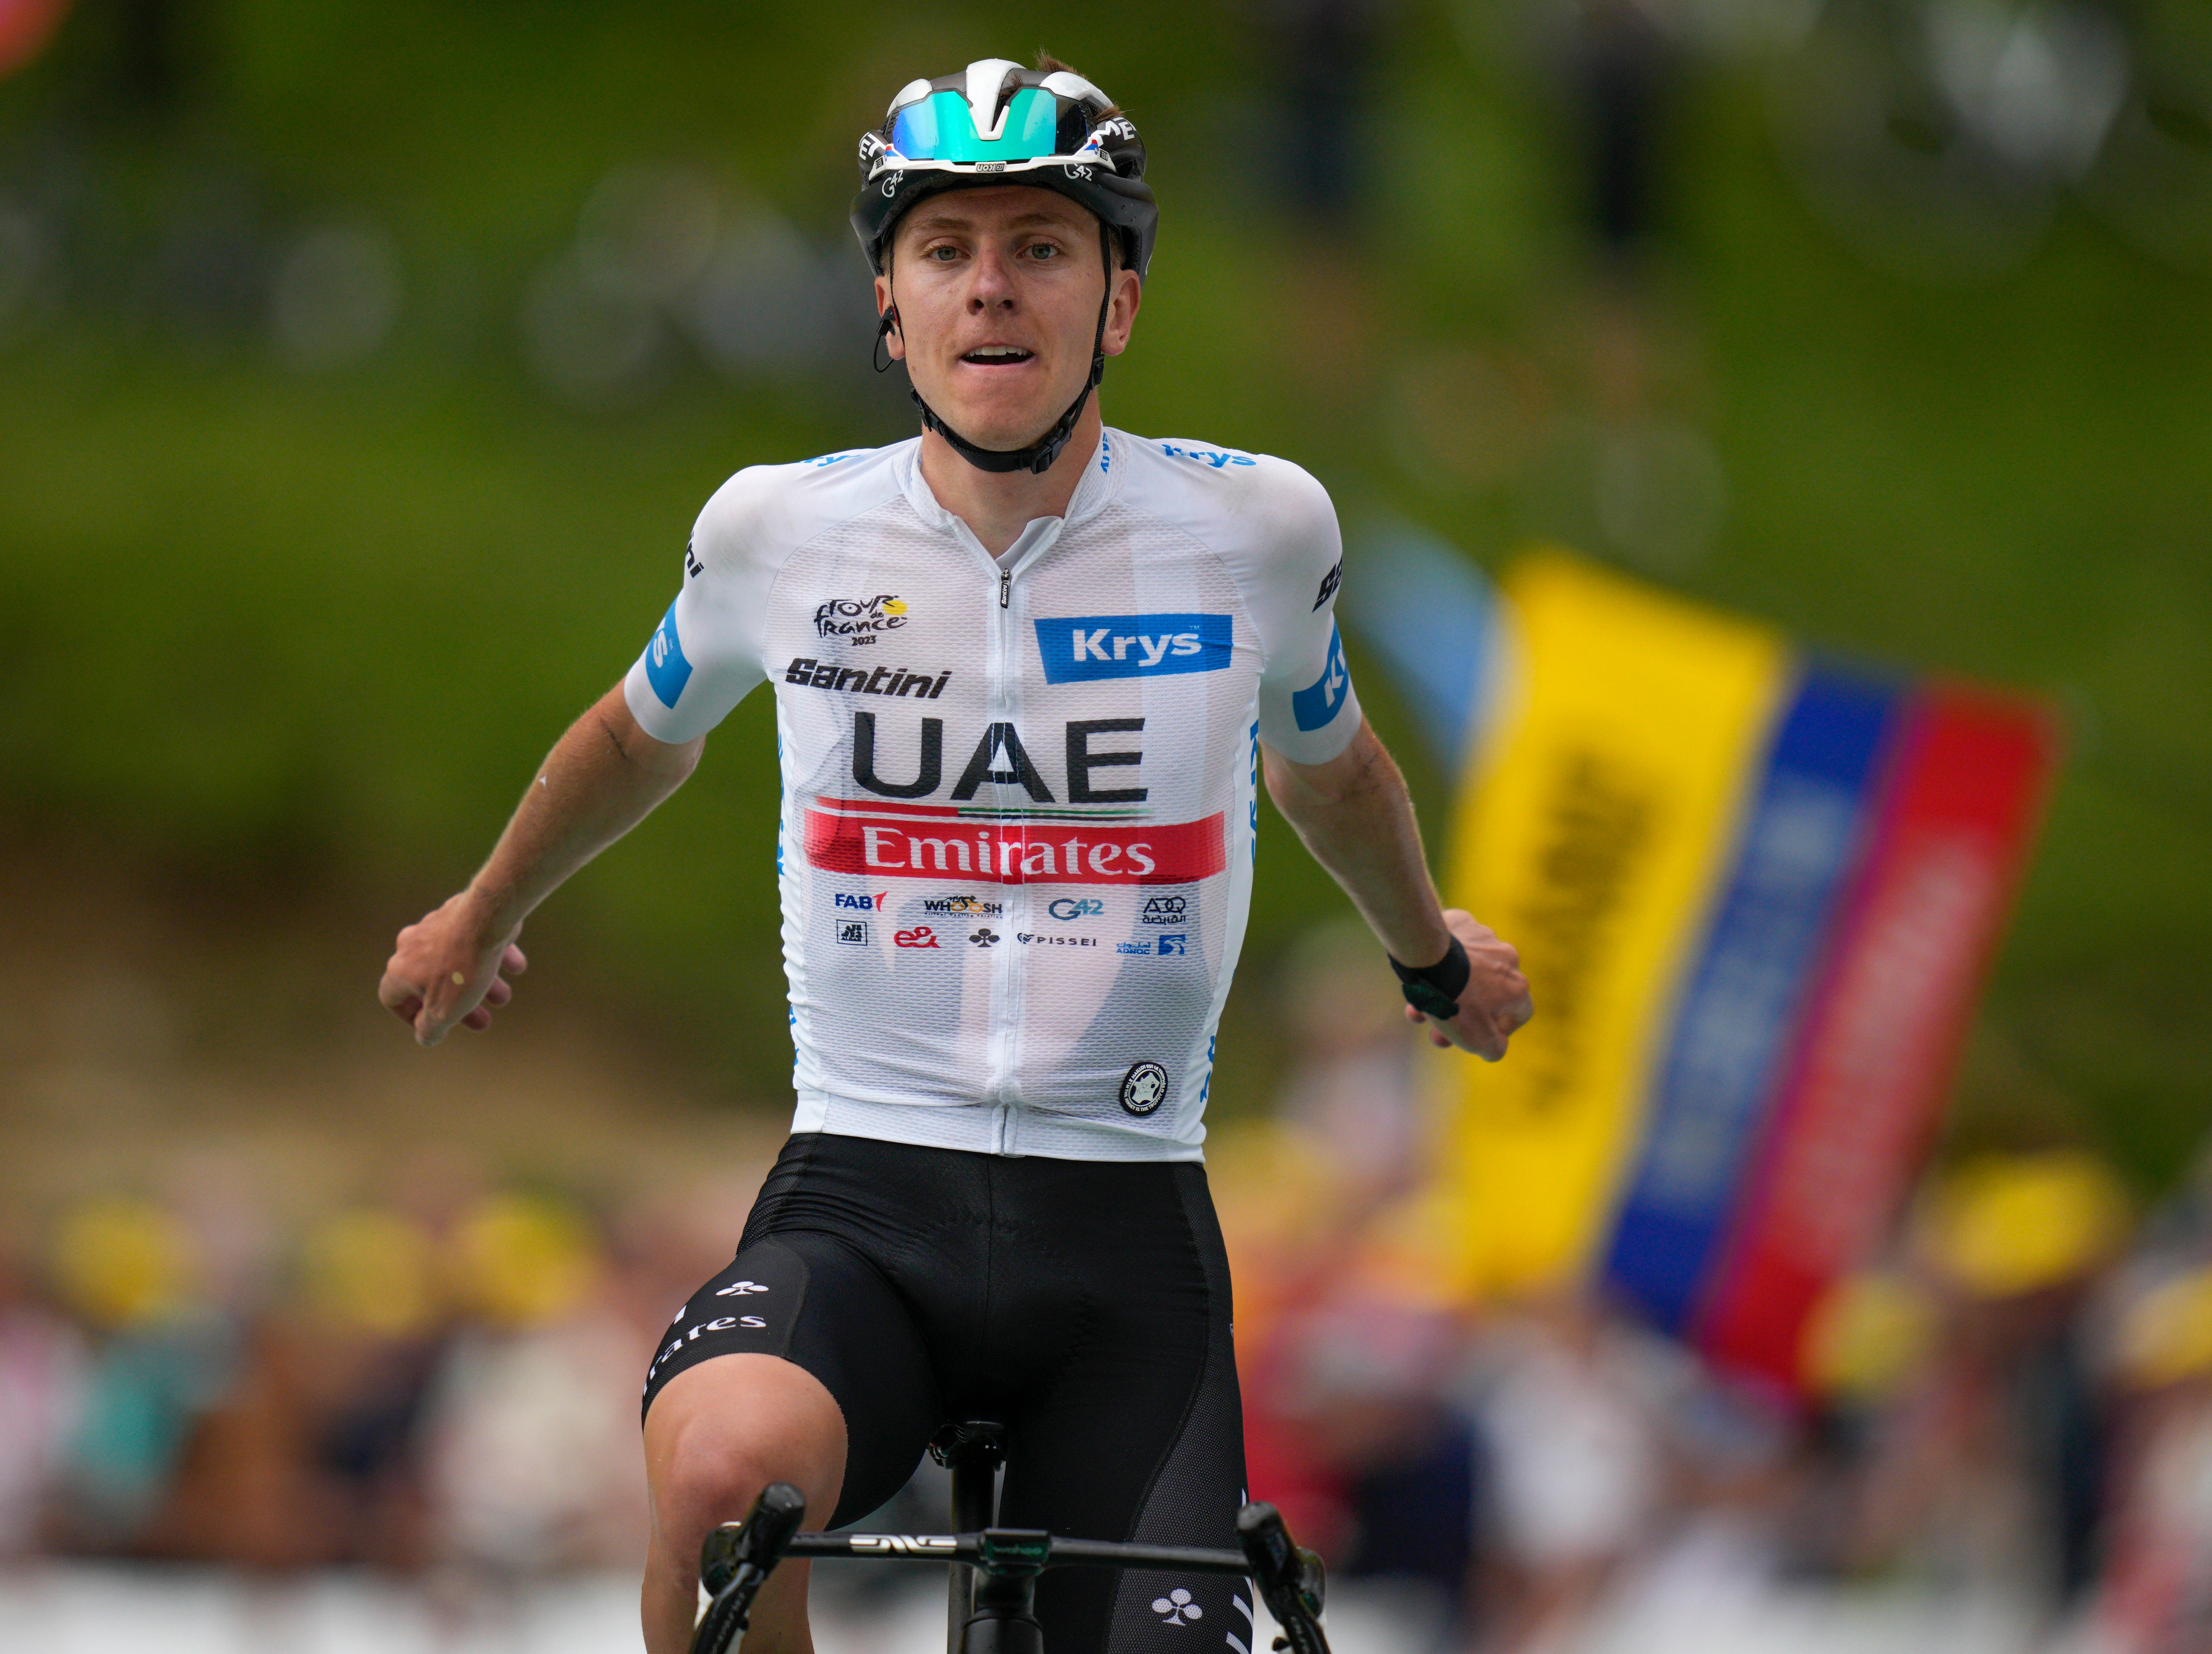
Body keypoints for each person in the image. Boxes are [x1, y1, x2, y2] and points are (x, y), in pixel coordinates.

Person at [376, 56, 1532, 1654]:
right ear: (888, 308)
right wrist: (481, 908)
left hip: (1124, 1238)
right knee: (720, 1487)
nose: (990, 289)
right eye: (945, 252)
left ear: (1117, 304)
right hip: (865, 1200)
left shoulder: (1258, 531)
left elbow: (1330, 772)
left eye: (1041, 248)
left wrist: (1428, 958)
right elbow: (640, 732)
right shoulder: (779, 529)